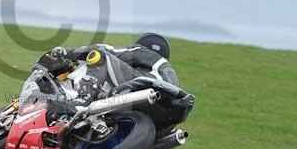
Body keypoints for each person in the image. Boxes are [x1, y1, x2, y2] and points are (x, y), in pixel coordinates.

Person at [19, 32, 179, 117]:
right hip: (166, 108)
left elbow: (107, 50)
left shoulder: (144, 53)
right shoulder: (166, 72)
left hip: (147, 88)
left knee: (100, 55)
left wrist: (70, 53)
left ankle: (82, 99)